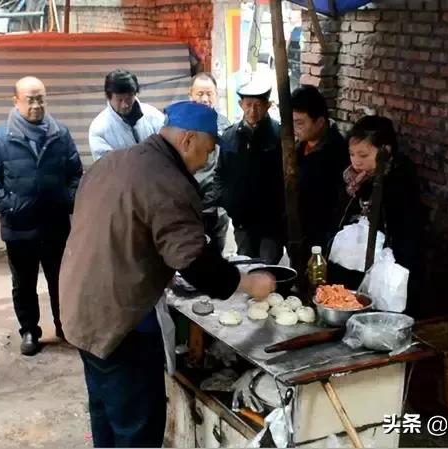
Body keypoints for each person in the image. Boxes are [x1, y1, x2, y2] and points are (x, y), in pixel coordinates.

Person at [60, 101, 276, 448]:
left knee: (106, 413)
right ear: (188, 139)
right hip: (120, 324)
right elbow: (194, 261)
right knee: (137, 426)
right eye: (207, 151)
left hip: (80, 307)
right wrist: (247, 282)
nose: (206, 162)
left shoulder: (114, 161)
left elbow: (126, 229)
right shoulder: (168, 181)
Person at [0, 76, 83, 356]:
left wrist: (67, 199)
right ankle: (29, 330)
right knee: (23, 283)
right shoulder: (0, 137)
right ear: (16, 101)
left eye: (41, 98)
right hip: (19, 226)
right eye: (30, 99)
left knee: (61, 279)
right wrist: (11, 207)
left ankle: (66, 326)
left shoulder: (60, 133)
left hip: (55, 223)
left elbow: (76, 172)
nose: (36, 105)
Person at [328, 115, 426, 295]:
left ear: (385, 150)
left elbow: (404, 232)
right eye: (352, 154)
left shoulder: (398, 182)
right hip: (352, 264)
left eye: (363, 155)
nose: (356, 161)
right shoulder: (352, 179)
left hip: (385, 267)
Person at [217, 77, 286, 264]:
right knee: (247, 267)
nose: (253, 111)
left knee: (268, 269)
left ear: (268, 105)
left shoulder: (280, 136)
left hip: (272, 222)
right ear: (241, 104)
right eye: (248, 104)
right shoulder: (230, 136)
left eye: (258, 105)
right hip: (242, 222)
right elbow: (220, 173)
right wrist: (228, 202)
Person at [290, 86, 350, 277]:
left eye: (300, 123)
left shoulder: (337, 153)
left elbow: (336, 204)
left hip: (321, 239)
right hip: (298, 234)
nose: (294, 129)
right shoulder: (299, 147)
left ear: (320, 122)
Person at [188, 72, 232, 253]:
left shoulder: (224, 126)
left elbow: (228, 168)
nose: (205, 99)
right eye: (200, 94)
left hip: (217, 209)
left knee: (217, 255)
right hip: (191, 207)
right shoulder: (180, 126)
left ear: (216, 96)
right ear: (190, 95)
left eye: (209, 94)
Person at [88, 69, 165, 161]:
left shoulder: (154, 116)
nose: (125, 105)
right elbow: (105, 168)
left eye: (129, 98)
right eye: (119, 100)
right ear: (108, 97)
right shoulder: (99, 129)